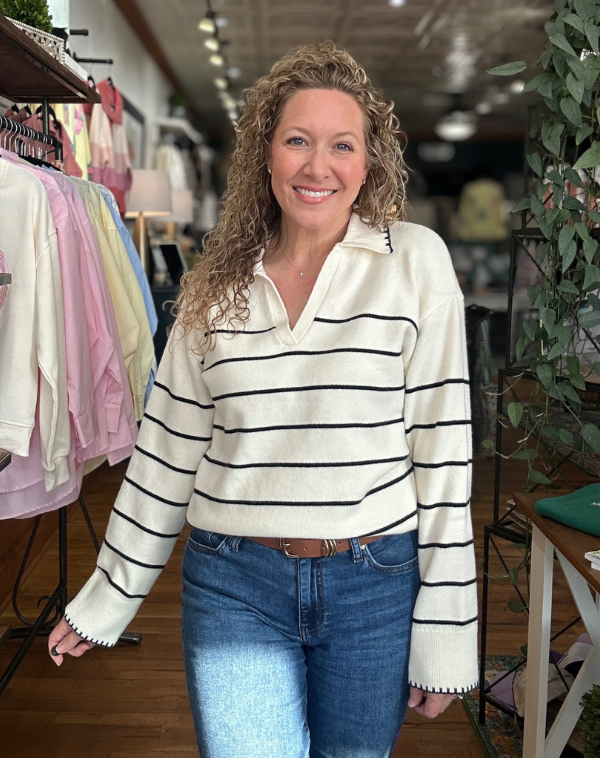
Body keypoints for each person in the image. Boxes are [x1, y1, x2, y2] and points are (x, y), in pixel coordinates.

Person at [49, 42, 478, 758]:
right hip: (233, 584)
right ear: (265, 154)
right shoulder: (215, 285)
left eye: (342, 145)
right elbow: (165, 456)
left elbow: (444, 459)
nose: (318, 166)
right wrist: (108, 595)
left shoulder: (416, 263)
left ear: (369, 161)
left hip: (375, 585)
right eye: (297, 141)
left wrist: (448, 631)